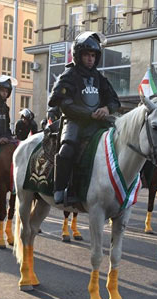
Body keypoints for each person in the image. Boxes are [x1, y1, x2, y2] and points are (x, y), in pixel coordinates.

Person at [49, 32, 120, 206]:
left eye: (93, 55)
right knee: (67, 150)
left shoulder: (99, 78)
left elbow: (114, 100)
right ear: (78, 55)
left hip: (98, 122)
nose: (90, 59)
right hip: (74, 122)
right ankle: (60, 188)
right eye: (87, 54)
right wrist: (88, 114)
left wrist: (106, 108)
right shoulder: (68, 75)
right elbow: (65, 105)